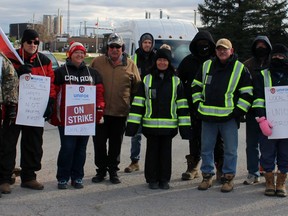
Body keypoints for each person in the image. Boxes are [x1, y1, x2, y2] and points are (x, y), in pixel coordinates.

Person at [192, 38, 253, 192]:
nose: (222, 51)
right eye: (219, 49)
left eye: (225, 49)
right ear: (216, 51)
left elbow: (247, 93)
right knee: (206, 148)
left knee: (230, 150)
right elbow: (195, 86)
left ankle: (228, 178)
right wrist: (198, 105)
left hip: (229, 118)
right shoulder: (206, 66)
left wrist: (238, 112)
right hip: (207, 117)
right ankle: (207, 177)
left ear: (231, 51)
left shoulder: (240, 68)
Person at [125, 47, 191, 189]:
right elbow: (138, 104)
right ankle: (152, 179)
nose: (162, 63)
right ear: (155, 62)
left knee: (165, 155)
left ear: (169, 63)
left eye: (165, 60)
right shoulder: (147, 80)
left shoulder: (176, 81)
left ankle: (164, 180)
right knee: (152, 154)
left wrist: (185, 129)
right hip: (150, 127)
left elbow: (182, 106)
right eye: (159, 60)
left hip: (169, 128)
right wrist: (132, 127)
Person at [0, 29, 56, 193]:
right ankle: (4, 177)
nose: (32, 45)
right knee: (7, 145)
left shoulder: (44, 60)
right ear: (23, 43)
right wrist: (18, 73)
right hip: (14, 110)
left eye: (36, 42)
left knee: (33, 144)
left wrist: (50, 102)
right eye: (29, 42)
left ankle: (29, 176)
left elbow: (50, 83)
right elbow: (4, 79)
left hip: (34, 111)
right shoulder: (10, 58)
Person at [50, 41, 105, 189]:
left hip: (85, 119)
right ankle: (62, 177)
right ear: (70, 54)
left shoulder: (92, 73)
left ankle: (77, 177)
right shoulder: (60, 72)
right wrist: (52, 112)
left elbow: (99, 93)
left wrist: (99, 108)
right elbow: (53, 93)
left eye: (82, 52)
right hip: (66, 120)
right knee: (67, 148)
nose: (79, 55)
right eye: (76, 52)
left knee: (81, 149)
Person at [90, 33, 141, 184]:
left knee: (115, 144)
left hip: (120, 113)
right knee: (99, 144)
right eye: (111, 46)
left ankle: (113, 171)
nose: (114, 49)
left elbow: (136, 88)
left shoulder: (131, 64)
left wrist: (130, 106)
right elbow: (87, 82)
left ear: (122, 49)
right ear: (107, 48)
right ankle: (101, 171)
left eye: (117, 47)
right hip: (100, 113)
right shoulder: (97, 62)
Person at [177, 31, 224, 181]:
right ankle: (193, 167)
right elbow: (179, 83)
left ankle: (219, 168)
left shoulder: (217, 61)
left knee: (217, 140)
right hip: (193, 108)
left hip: (214, 108)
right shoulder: (187, 62)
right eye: (199, 44)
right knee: (194, 138)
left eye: (206, 44)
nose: (202, 47)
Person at [252, 43, 288, 197]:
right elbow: (257, 98)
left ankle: (280, 183)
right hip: (268, 123)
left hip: (286, 124)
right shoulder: (262, 75)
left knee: (285, 154)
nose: (277, 58)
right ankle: (268, 181)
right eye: (275, 55)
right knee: (267, 153)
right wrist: (261, 119)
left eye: (281, 55)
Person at [124, 32, 157, 173]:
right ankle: (134, 161)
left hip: (153, 102)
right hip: (137, 101)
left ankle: (153, 161)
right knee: (136, 134)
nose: (147, 45)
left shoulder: (157, 58)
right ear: (141, 43)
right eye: (145, 42)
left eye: (149, 42)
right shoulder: (133, 59)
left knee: (152, 134)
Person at [243, 36, 272, 185]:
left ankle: (268, 171)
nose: (261, 48)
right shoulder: (247, 65)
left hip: (270, 112)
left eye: (263, 45)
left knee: (269, 144)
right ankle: (252, 172)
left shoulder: (274, 64)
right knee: (252, 144)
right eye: (258, 45)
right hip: (251, 112)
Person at [0, 52, 19, 197]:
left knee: (5, 145)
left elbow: (10, 80)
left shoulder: (2, 59)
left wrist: (12, 105)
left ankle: (4, 179)